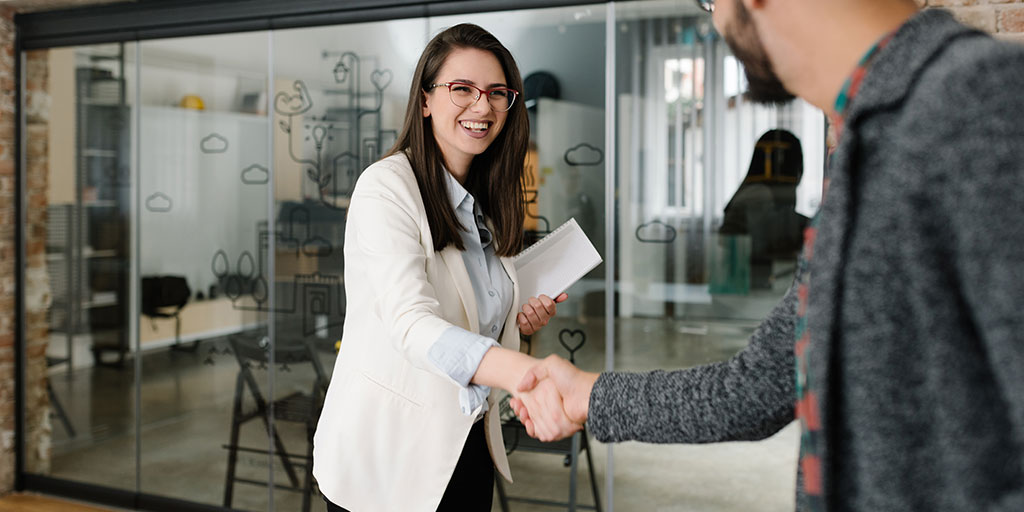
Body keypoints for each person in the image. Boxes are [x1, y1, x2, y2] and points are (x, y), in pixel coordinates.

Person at [513, 0, 1024, 510]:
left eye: (710, 1)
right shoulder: (865, 142)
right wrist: (589, 393)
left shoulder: (985, 104)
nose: (715, 19)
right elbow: (756, 389)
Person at [312, 24, 577, 512]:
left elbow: (469, 314)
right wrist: (526, 373)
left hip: (464, 442)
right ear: (426, 99)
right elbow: (412, 324)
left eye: (497, 93)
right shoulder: (386, 188)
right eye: (462, 89)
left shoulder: (487, 200)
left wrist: (515, 316)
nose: (483, 106)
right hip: (387, 458)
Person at [719, 129, 809, 288]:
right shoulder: (759, 194)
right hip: (743, 291)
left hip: (751, 286)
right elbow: (773, 236)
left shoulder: (758, 192)